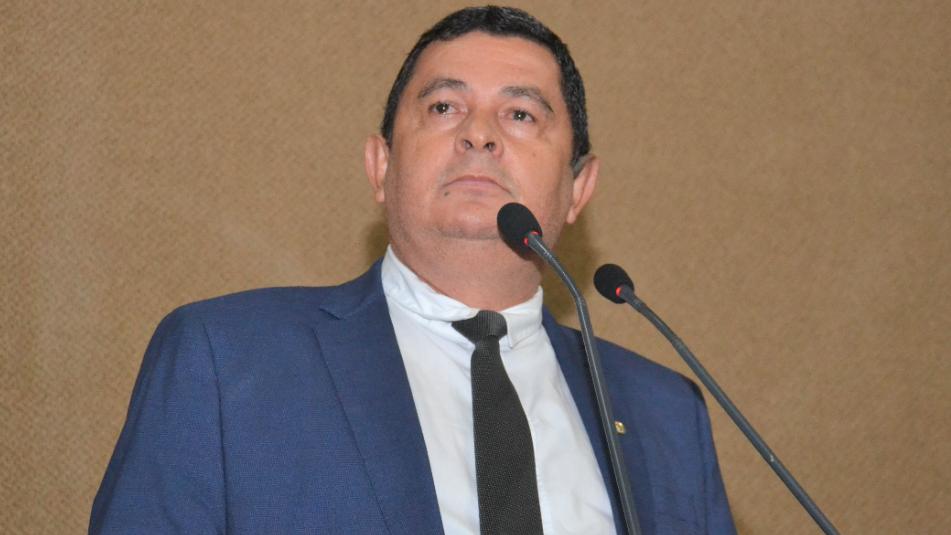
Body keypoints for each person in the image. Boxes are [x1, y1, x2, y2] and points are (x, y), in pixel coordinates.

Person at [90, 6, 736, 535]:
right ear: (381, 166)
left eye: (520, 114)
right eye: (444, 107)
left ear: (578, 188)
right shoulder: (226, 360)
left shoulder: (664, 413)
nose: (479, 134)